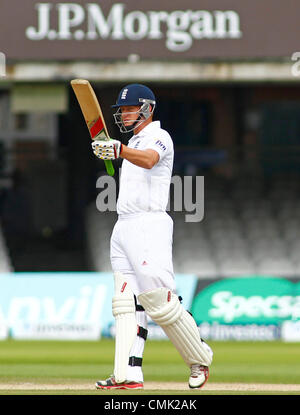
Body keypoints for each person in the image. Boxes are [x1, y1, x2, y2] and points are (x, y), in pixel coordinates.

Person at [91, 84, 213, 390]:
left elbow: (148, 160)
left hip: (149, 225)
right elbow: (133, 156)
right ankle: (127, 374)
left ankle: (199, 357)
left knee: (158, 301)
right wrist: (117, 151)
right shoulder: (132, 141)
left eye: (130, 108)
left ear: (147, 108)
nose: (124, 114)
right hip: (123, 225)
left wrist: (119, 150)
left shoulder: (160, 136)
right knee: (126, 304)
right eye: (121, 110)